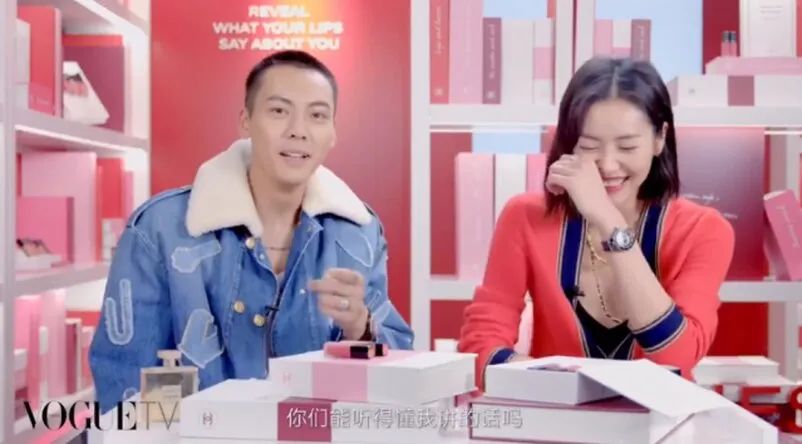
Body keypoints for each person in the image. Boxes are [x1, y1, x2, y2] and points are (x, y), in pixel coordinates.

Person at [89, 50, 414, 413]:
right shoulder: (161, 229)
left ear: (333, 133)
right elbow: (124, 383)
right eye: (279, 111)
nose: (298, 130)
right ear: (246, 121)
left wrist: (361, 328)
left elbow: (402, 371)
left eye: (317, 115)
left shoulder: (357, 234)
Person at [458, 57, 735, 387]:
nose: (607, 165)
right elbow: (480, 348)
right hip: (552, 414)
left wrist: (607, 220)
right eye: (589, 146)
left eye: (627, 146)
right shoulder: (525, 217)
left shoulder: (704, 231)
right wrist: (566, 388)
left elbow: (677, 357)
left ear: (660, 138)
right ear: (568, 144)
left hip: (658, 420)